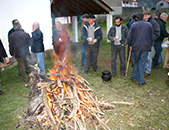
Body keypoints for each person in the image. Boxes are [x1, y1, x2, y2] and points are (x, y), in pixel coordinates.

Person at [128, 13, 153, 86]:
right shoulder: (149, 25)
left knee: (136, 62)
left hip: (136, 47)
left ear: (136, 18)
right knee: (141, 63)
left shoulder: (134, 25)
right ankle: (140, 80)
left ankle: (135, 78)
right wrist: (150, 44)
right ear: (143, 17)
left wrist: (130, 44)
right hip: (145, 46)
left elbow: (130, 37)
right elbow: (151, 36)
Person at [143, 11, 160, 77]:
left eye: (145, 15)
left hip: (149, 43)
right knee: (143, 56)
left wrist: (149, 38)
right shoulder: (143, 21)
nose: (144, 16)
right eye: (144, 14)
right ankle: (143, 69)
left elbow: (157, 33)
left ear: (149, 15)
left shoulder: (153, 23)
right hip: (142, 42)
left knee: (148, 57)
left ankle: (148, 71)